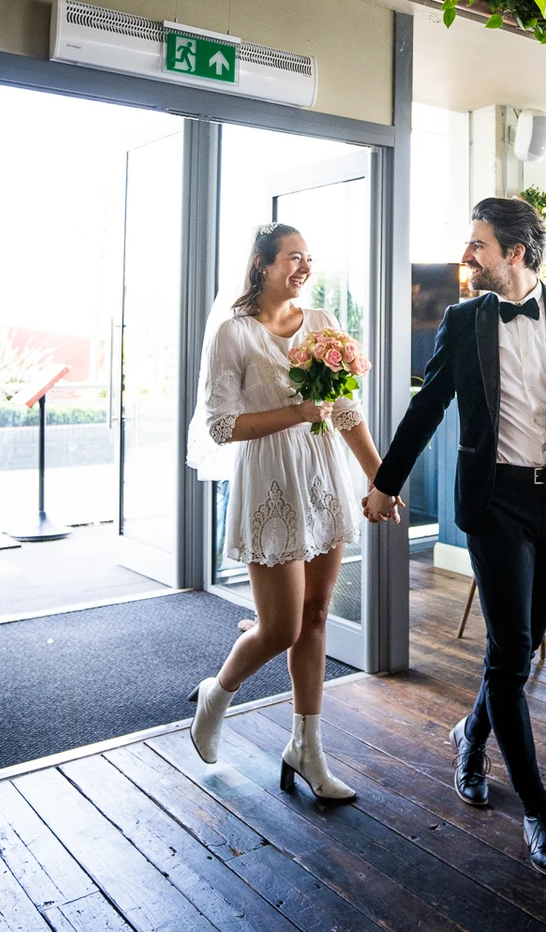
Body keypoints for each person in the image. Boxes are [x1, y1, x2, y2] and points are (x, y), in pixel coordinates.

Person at [365, 197, 546, 881]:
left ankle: (471, 735)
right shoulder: (463, 320)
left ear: (514, 252)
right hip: (494, 504)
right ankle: (540, 815)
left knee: (518, 653)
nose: (468, 256)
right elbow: (427, 405)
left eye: (478, 244)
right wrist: (385, 482)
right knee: (512, 649)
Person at [185, 222, 386, 802]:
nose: (303, 267)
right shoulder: (234, 334)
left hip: (322, 477)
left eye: (308, 258)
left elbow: (344, 408)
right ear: (262, 265)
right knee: (281, 627)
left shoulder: (322, 324)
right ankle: (216, 693)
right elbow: (222, 426)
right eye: (293, 258)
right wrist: (298, 414)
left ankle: (307, 749)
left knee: (317, 614)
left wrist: (379, 477)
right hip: (270, 481)